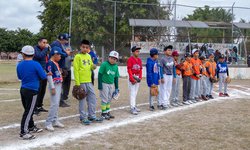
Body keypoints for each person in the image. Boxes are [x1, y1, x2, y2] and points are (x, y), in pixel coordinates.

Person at [16, 45, 46, 140]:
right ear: (33, 54)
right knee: (29, 111)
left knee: (28, 109)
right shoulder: (36, 64)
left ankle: (31, 126)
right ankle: (24, 132)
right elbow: (43, 76)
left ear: (23, 54)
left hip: (23, 89)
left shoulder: (20, 64)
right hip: (32, 90)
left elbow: (20, 77)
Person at [73, 39, 103, 125]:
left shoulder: (89, 56)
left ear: (88, 48)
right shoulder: (77, 57)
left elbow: (90, 66)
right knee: (82, 99)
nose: (85, 49)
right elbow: (76, 70)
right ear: (80, 47)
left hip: (89, 81)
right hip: (81, 82)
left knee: (92, 98)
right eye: (83, 47)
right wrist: (77, 84)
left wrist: (93, 66)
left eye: (86, 47)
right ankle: (83, 117)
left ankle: (92, 115)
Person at [45, 46, 65, 131]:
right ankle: (48, 122)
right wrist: (52, 87)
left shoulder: (56, 63)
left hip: (58, 84)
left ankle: (55, 120)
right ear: (55, 54)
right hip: (54, 85)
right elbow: (49, 76)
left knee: (56, 104)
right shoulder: (50, 63)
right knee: (54, 104)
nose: (60, 57)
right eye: (59, 55)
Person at [51, 33, 71, 107]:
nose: (67, 41)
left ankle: (60, 100)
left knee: (60, 84)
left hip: (59, 66)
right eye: (66, 39)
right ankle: (60, 101)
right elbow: (58, 54)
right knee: (59, 84)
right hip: (57, 66)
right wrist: (66, 54)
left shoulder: (58, 44)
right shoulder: (56, 44)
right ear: (62, 39)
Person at [98, 51, 119, 120]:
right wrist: (100, 85)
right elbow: (100, 74)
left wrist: (116, 88)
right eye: (112, 58)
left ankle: (107, 112)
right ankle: (103, 113)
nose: (113, 60)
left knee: (109, 98)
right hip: (104, 83)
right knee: (104, 99)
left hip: (111, 84)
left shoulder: (116, 67)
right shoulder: (104, 64)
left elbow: (116, 78)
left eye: (115, 59)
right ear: (109, 57)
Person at [33, 37, 50, 114]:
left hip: (44, 72)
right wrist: (46, 49)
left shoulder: (45, 50)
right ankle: (34, 107)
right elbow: (39, 56)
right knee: (38, 90)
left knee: (43, 90)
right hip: (37, 73)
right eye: (44, 42)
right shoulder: (35, 49)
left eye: (46, 43)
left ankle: (39, 106)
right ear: (39, 42)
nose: (45, 44)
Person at [159, 45, 176, 110]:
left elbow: (174, 68)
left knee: (169, 89)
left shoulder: (172, 59)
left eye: (170, 50)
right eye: (168, 50)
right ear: (165, 51)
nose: (170, 51)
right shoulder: (163, 59)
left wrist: (174, 76)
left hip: (170, 75)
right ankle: (163, 103)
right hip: (165, 75)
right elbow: (161, 68)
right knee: (163, 89)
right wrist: (161, 77)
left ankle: (166, 101)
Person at [127, 46, 142, 115]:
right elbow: (129, 69)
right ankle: (132, 108)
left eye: (138, 51)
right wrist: (131, 78)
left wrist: (140, 77)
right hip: (132, 75)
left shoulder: (139, 60)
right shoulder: (130, 59)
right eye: (136, 51)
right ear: (133, 52)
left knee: (135, 93)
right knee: (132, 93)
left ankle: (134, 106)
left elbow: (140, 69)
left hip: (137, 76)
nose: (138, 52)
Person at [60, 42, 73, 107]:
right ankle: (61, 98)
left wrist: (72, 58)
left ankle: (65, 97)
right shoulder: (61, 46)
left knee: (68, 84)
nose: (67, 40)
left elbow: (70, 55)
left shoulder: (69, 46)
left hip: (69, 68)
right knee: (62, 84)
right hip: (63, 68)